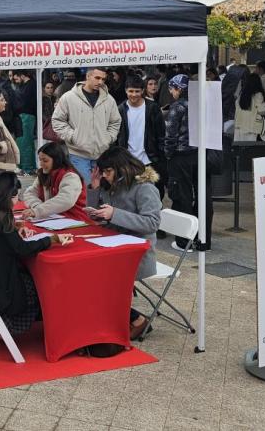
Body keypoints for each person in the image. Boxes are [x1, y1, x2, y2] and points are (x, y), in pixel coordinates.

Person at [0, 172, 72, 334]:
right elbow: (22, 249)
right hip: (0, 286)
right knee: (41, 284)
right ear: (10, 196)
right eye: (17, 196)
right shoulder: (2, 216)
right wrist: (52, 240)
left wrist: (14, 229)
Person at [86, 146, 162, 339]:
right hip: (115, 245)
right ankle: (113, 317)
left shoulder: (145, 188)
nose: (105, 176)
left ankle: (136, 319)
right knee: (87, 270)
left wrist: (115, 214)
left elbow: (152, 223)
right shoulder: (114, 183)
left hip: (138, 251)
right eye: (103, 172)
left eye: (108, 171)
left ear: (122, 168)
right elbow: (99, 213)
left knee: (97, 276)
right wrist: (95, 187)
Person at [163, 74, 211, 251]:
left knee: (182, 197)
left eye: (172, 89)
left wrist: (168, 155)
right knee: (202, 197)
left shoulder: (177, 107)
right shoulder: (201, 104)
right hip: (199, 155)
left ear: (178, 89)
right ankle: (203, 239)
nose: (171, 92)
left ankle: (184, 241)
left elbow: (170, 135)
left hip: (180, 156)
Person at [51, 67, 121, 181]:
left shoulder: (109, 99)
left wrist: (108, 138)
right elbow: (57, 120)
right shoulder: (69, 97)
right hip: (78, 154)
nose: (100, 82)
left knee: (101, 188)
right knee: (84, 188)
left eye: (103, 79)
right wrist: (73, 136)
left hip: (102, 154)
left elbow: (115, 122)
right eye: (97, 78)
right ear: (88, 76)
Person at [116, 75, 165, 198]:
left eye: (137, 91)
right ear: (126, 91)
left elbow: (161, 134)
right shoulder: (120, 109)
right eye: (131, 91)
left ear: (143, 91)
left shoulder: (152, 108)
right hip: (128, 161)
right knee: (129, 197)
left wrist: (161, 157)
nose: (134, 95)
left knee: (154, 195)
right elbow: (117, 136)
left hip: (150, 160)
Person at [21, 141, 88, 222]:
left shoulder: (70, 176)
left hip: (74, 219)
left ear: (56, 160)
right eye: (40, 160)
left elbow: (66, 200)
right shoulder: (43, 174)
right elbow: (30, 193)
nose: (41, 164)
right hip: (52, 218)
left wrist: (38, 211)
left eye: (45, 161)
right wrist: (37, 206)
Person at [234, 73, 265, 142]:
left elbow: (236, 106)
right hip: (252, 128)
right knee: (251, 147)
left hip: (239, 126)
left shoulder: (241, 94)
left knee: (240, 147)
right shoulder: (258, 95)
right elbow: (262, 111)